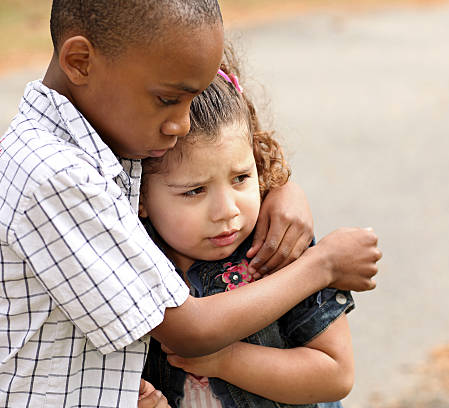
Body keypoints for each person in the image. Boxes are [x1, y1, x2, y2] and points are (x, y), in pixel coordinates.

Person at [0, 0, 381, 406]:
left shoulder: (103, 150)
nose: (181, 124)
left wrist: (280, 188)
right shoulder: (56, 175)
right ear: (80, 61)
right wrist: (323, 264)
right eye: (167, 100)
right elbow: (189, 331)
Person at [139, 54, 356, 408]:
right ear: (141, 195)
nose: (228, 211)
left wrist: (224, 360)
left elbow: (335, 373)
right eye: (195, 191)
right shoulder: (131, 260)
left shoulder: (279, 249)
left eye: (241, 178)